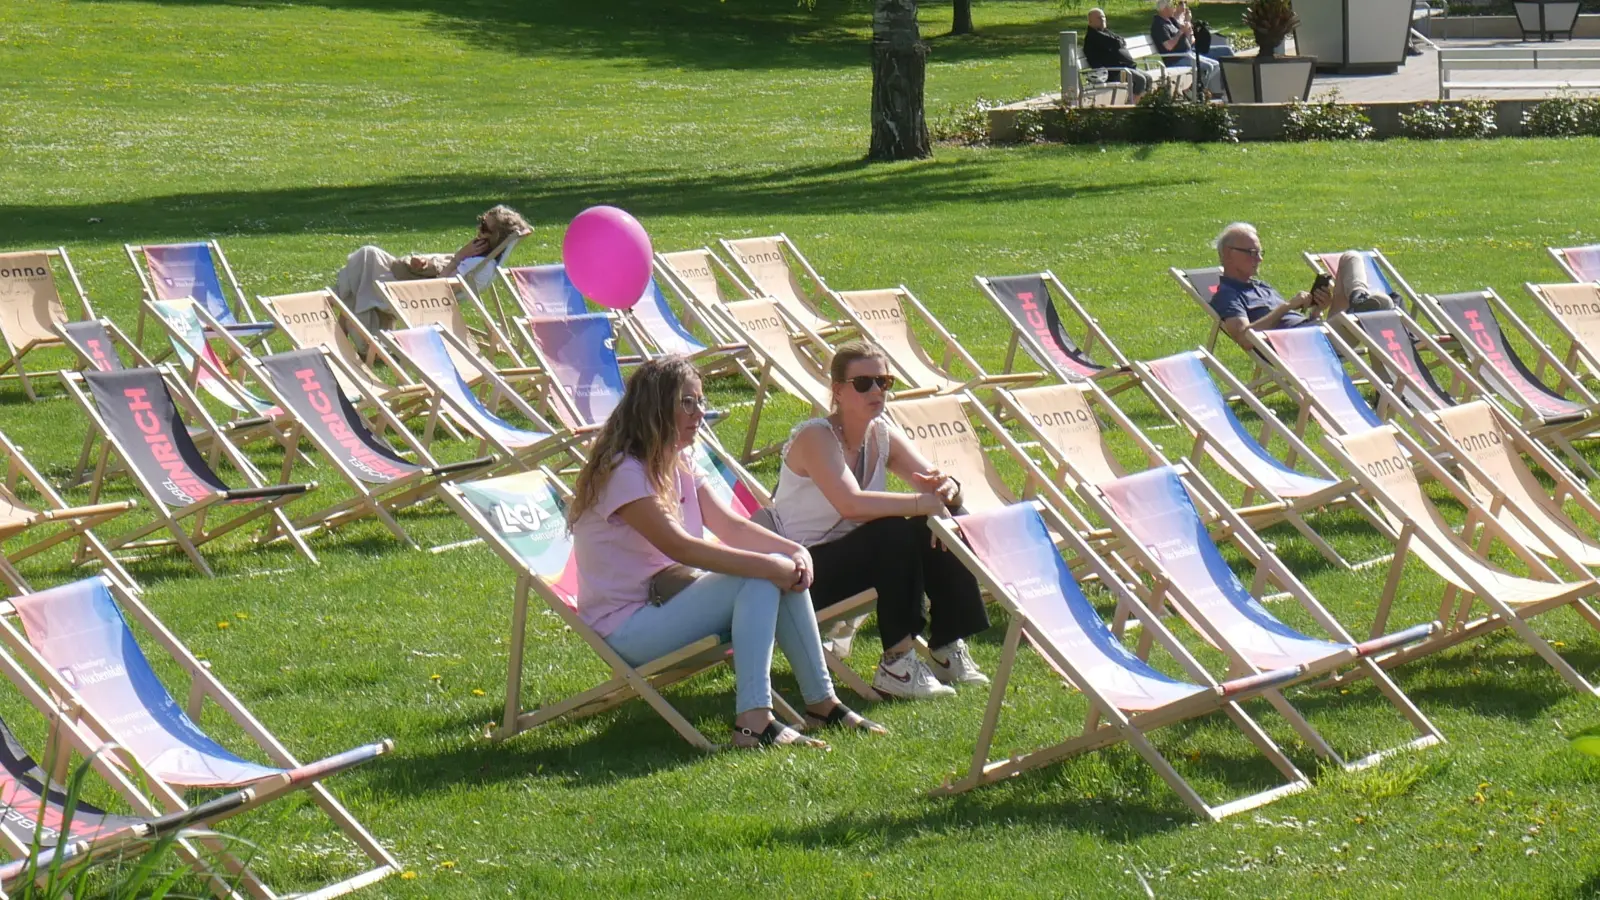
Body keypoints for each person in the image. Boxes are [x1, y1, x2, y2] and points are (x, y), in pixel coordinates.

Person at [567, 355, 884, 749]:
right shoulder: (624, 472)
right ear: (654, 406)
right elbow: (679, 546)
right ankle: (756, 720)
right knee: (761, 575)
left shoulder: (677, 461)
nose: (699, 412)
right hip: (629, 628)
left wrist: (793, 550)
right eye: (687, 402)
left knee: (772, 571)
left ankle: (820, 703)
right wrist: (770, 564)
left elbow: (731, 526)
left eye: (700, 402)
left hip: (672, 601)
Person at [771, 342, 990, 701]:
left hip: (862, 561)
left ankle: (947, 646)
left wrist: (949, 491)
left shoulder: (880, 432)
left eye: (883, 382)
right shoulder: (816, 436)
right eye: (863, 384)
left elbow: (932, 483)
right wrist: (926, 502)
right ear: (838, 391)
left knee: (939, 523)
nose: (875, 391)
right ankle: (897, 663)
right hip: (802, 573)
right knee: (894, 530)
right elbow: (851, 504)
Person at [334, 204, 531, 333]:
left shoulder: (475, 264)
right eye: (481, 222)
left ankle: (341, 322)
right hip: (416, 284)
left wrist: (458, 257)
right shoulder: (481, 258)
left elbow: (438, 290)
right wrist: (428, 263)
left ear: (497, 237)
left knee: (362, 267)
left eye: (485, 228)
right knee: (367, 258)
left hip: (417, 296)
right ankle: (354, 325)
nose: (479, 229)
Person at [1210, 222, 1395, 349]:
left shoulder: (1261, 286)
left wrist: (1316, 311)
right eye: (1252, 252)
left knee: (1351, 257)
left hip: (1315, 330)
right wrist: (1287, 306)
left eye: (1259, 252)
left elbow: (1289, 321)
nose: (1259, 258)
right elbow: (1245, 339)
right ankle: (1386, 389)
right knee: (1380, 306)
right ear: (1228, 254)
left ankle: (1358, 296)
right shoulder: (1227, 295)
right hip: (1308, 346)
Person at [1150, 0, 1223, 98]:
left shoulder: (1170, 21)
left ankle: (1193, 90)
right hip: (1175, 59)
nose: (1174, 8)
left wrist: (1188, 31)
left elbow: (1186, 38)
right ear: (1165, 9)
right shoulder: (1159, 25)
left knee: (1216, 65)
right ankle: (1195, 92)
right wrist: (1181, 32)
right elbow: (1168, 46)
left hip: (1187, 54)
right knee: (1208, 67)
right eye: (1172, 6)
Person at [1084, 8, 1153, 103]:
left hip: (1123, 68)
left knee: (1148, 78)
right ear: (1090, 21)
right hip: (1112, 72)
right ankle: (1131, 108)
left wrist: (1119, 42)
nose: (1103, 20)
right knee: (1140, 80)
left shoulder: (1104, 32)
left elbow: (1121, 40)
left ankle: (1141, 104)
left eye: (1104, 17)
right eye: (1099, 18)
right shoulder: (1093, 36)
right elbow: (1116, 42)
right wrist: (1119, 42)